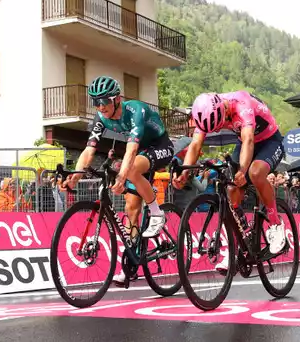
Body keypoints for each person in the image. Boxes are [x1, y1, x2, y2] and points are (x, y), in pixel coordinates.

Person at [63, 75, 175, 285]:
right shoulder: (100, 117)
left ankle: (157, 214)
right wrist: (75, 177)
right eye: (95, 102)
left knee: (130, 168)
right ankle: (131, 264)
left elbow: (132, 149)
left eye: (104, 101)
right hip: (140, 150)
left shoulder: (135, 111)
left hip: (160, 146)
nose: (100, 106)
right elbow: (89, 150)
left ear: (117, 99)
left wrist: (122, 177)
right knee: (132, 208)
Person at [172, 91, 287, 261]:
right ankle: (241, 240)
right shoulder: (206, 110)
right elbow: (195, 145)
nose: (219, 129)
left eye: (220, 125)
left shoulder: (241, 103)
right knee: (232, 188)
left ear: (224, 111)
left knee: (254, 172)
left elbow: (248, 140)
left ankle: (276, 223)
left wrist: (242, 170)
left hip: (269, 141)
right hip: (244, 140)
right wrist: (184, 172)